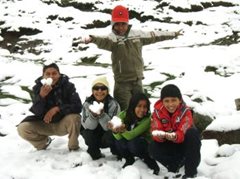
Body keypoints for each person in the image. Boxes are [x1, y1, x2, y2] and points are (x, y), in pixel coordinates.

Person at [78, 5, 182, 111]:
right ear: (113, 25)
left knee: (142, 109)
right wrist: (92, 38)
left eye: (123, 24)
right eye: (117, 24)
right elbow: (102, 40)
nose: (121, 27)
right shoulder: (112, 39)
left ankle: (145, 127)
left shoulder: (138, 35)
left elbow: (155, 35)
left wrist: (173, 34)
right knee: (125, 111)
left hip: (137, 81)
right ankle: (125, 128)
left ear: (127, 23)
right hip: (122, 84)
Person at [17, 63, 82, 151]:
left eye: (54, 73)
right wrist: (41, 96)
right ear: (43, 76)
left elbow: (78, 106)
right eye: (48, 74)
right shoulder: (37, 88)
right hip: (45, 124)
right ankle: (43, 143)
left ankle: (73, 147)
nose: (51, 76)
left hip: (63, 123)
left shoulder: (68, 86)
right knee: (23, 128)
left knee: (75, 117)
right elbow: (37, 111)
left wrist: (57, 109)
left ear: (59, 74)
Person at [148, 84, 201, 179]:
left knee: (192, 133)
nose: (170, 104)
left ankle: (191, 172)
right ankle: (173, 166)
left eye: (173, 100)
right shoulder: (157, 112)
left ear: (179, 100)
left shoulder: (186, 111)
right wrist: (159, 136)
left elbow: (183, 129)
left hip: (183, 145)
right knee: (152, 147)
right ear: (162, 101)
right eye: (166, 101)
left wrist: (175, 136)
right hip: (168, 144)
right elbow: (155, 128)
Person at [108, 93, 160, 175]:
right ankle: (129, 159)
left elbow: (131, 135)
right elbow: (118, 138)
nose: (142, 110)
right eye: (139, 106)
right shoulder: (123, 114)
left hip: (145, 146)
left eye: (145, 107)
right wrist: (115, 130)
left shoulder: (147, 120)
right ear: (133, 106)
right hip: (130, 142)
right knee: (118, 140)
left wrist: (121, 130)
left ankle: (149, 160)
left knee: (133, 142)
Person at [81, 76, 121, 160]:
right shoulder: (87, 104)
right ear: (92, 91)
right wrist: (93, 116)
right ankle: (93, 150)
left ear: (107, 91)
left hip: (106, 136)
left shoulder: (114, 104)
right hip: (94, 134)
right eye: (96, 88)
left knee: (112, 134)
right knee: (86, 131)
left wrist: (102, 115)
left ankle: (116, 150)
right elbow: (87, 126)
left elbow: (112, 127)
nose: (99, 91)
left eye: (103, 88)